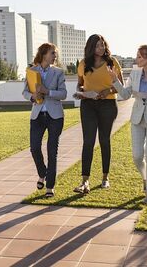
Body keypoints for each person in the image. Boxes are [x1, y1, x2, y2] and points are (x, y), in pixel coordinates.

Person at [110, 44, 147, 203]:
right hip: (137, 119)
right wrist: (115, 80)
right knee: (137, 156)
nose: (136, 59)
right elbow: (124, 94)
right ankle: (145, 178)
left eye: (139, 57)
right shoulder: (135, 74)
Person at [73, 34, 123, 194]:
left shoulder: (112, 62)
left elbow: (121, 86)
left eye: (102, 45)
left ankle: (105, 177)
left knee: (104, 140)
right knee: (88, 141)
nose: (100, 48)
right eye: (97, 46)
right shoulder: (83, 64)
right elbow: (80, 85)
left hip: (108, 104)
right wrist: (82, 92)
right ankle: (84, 181)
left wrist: (107, 90)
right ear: (90, 48)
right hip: (88, 104)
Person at [22, 43, 67, 198]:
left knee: (52, 150)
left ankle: (50, 186)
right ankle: (42, 173)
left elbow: (63, 94)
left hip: (55, 116)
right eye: (52, 53)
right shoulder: (31, 71)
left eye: (55, 53)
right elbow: (25, 92)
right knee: (34, 148)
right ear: (44, 54)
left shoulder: (59, 72)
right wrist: (32, 96)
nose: (55, 56)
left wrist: (47, 91)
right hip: (37, 115)